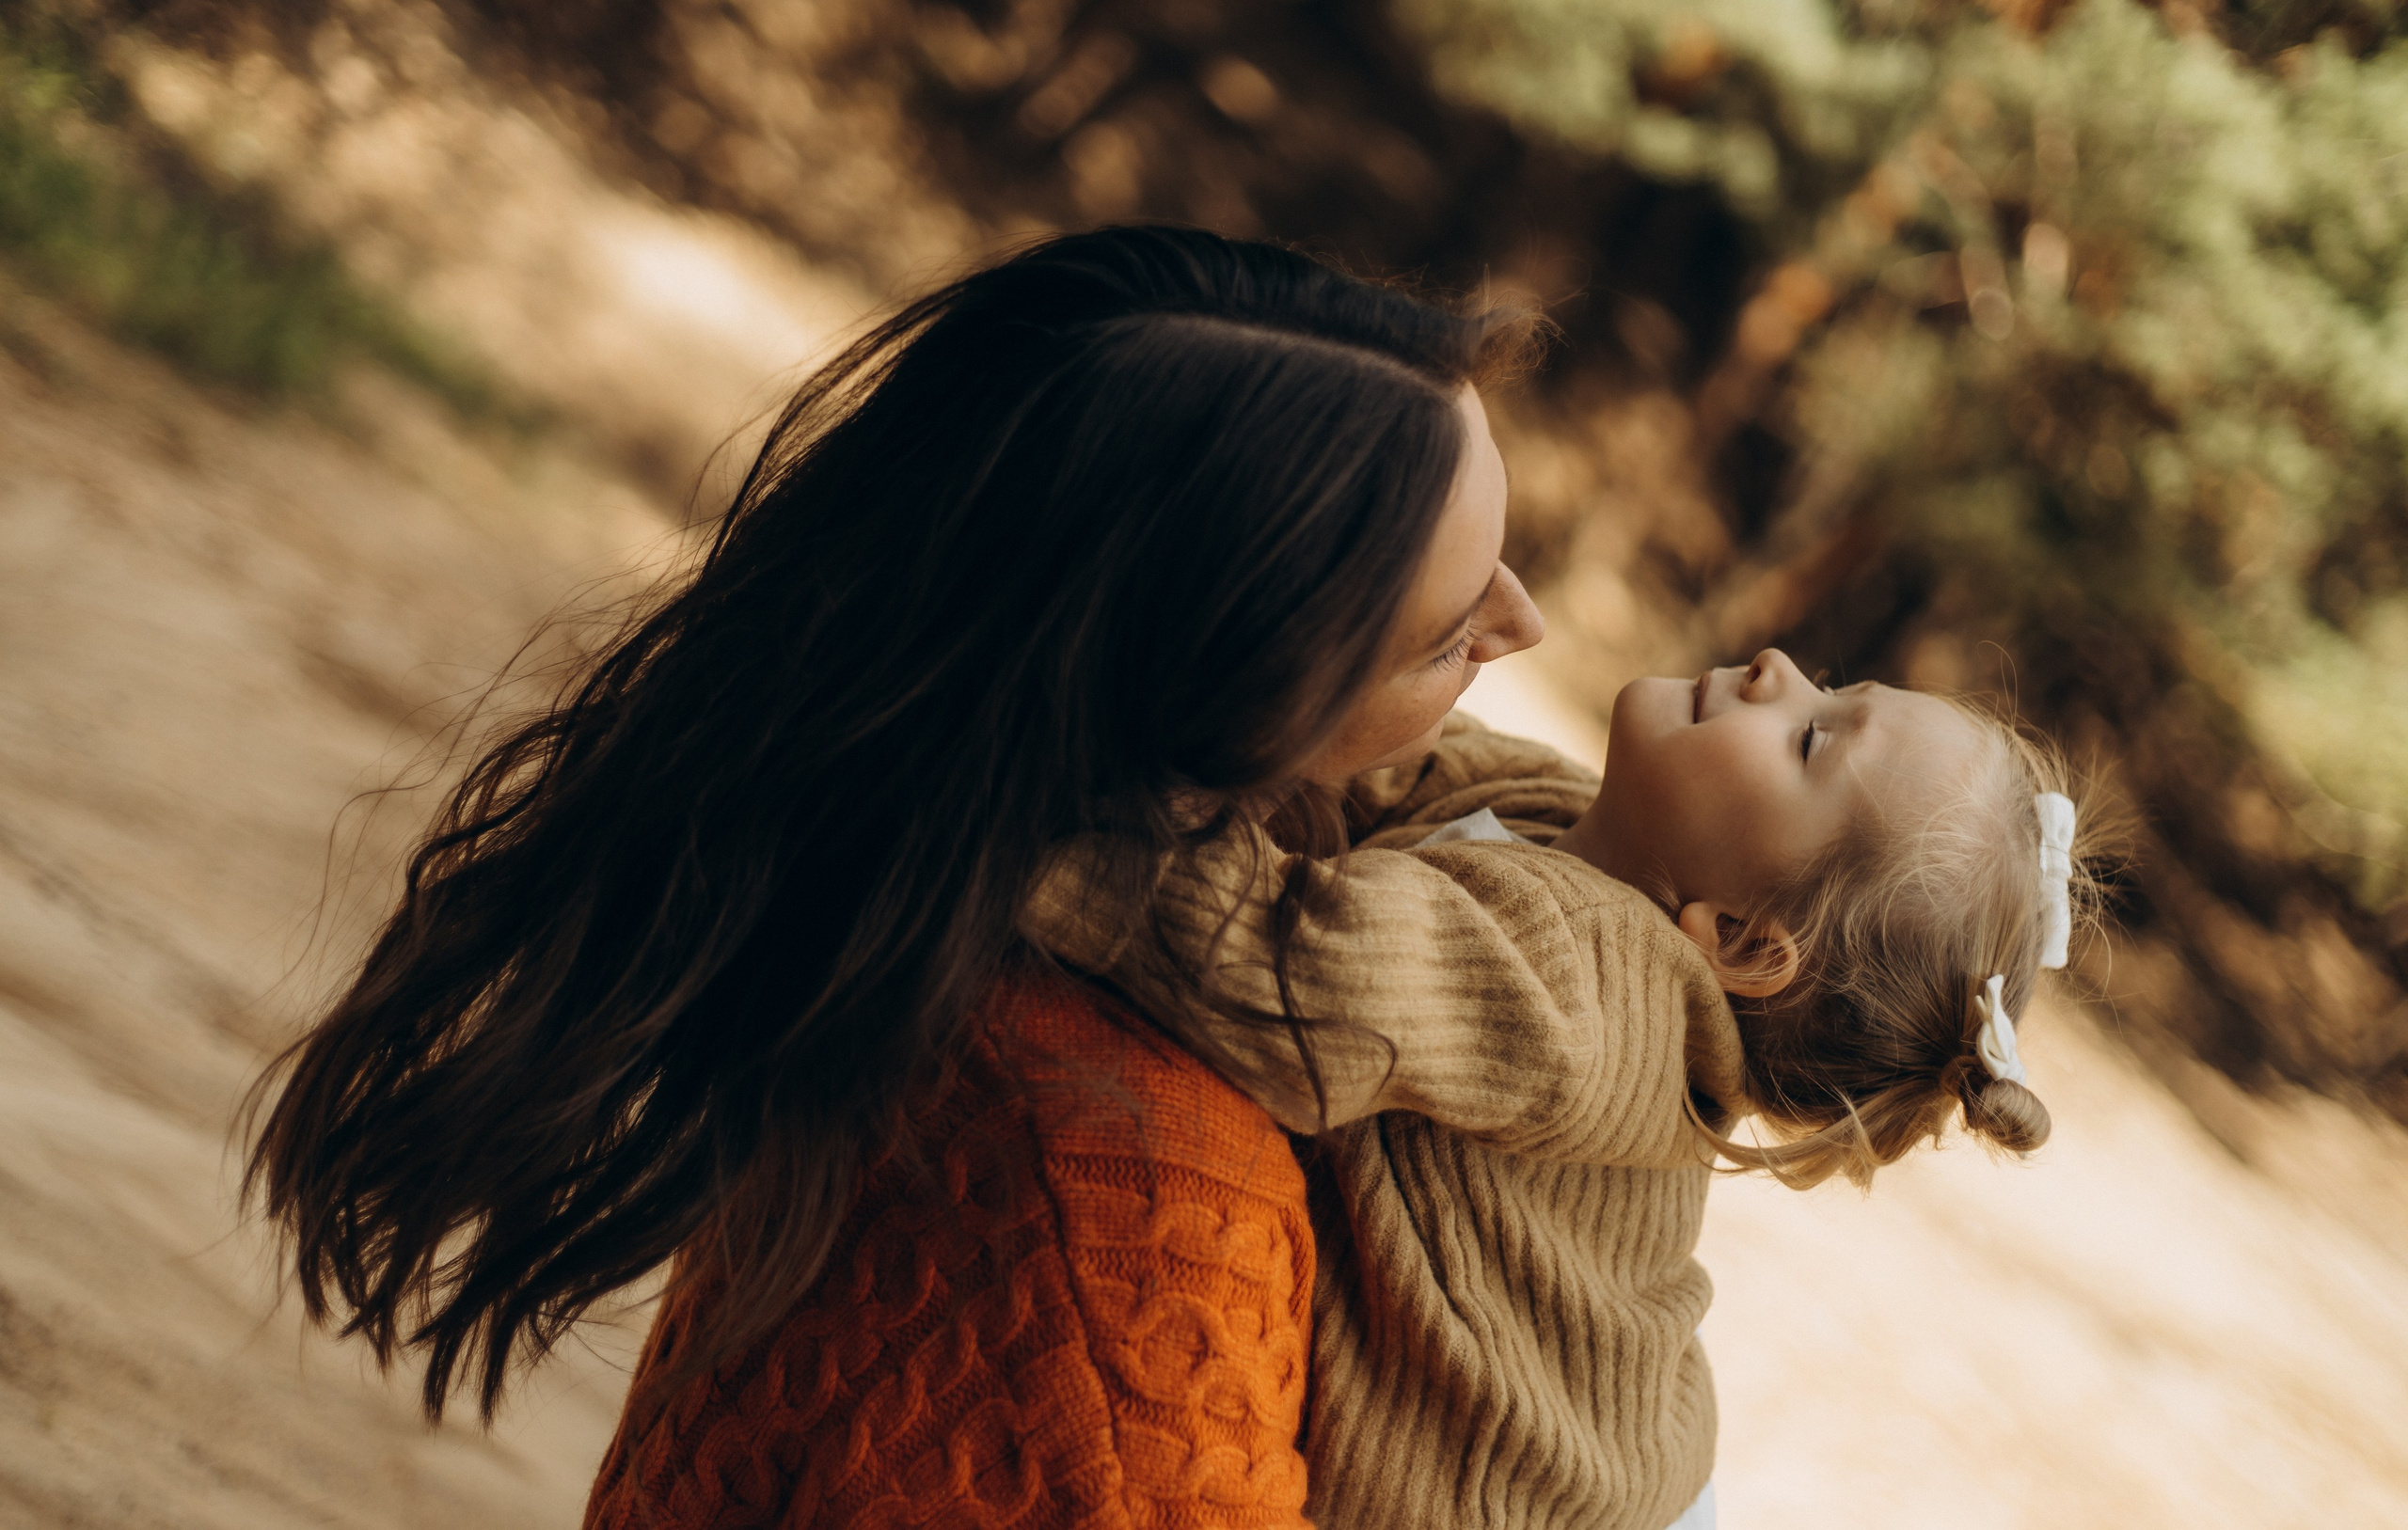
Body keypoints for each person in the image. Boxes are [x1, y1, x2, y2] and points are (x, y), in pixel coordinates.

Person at [247, 224, 1679, 1527]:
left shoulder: (899, 937)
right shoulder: (1146, 1201)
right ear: (1231, 696)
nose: (1527, 620)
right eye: (1450, 632)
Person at [1027, 648, 2096, 1530]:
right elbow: (1384, 748)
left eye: (1812, 739)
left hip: (1533, 1502)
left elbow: (1280, 972)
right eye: (1832, 685)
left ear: (1738, 939)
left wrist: (1013, 821)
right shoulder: (1556, 811)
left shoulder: (1589, 982)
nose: (1779, 671)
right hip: (1642, 1469)